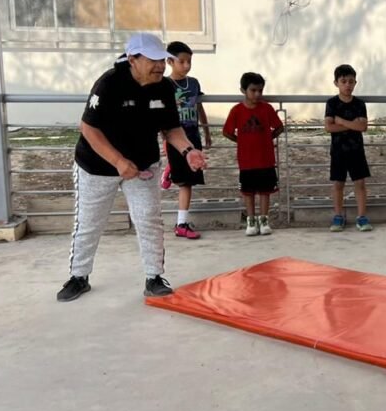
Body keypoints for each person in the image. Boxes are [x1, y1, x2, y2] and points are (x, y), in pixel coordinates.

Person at [56, 33, 208, 302]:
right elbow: (89, 128)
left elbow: (171, 128)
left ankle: (154, 277)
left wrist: (188, 151)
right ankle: (79, 276)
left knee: (149, 219)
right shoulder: (109, 84)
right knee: (89, 223)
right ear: (132, 59)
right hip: (97, 166)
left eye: (162, 60)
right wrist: (117, 161)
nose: (160, 66)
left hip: (142, 165)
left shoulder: (164, 88)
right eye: (153, 60)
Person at [222, 72, 283, 237]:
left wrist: (268, 138)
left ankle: (264, 220)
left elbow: (279, 127)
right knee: (248, 192)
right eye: (253, 90)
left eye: (260, 91)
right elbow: (226, 132)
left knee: (265, 191)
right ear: (243, 90)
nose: (257, 94)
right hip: (246, 160)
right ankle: (251, 221)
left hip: (266, 159)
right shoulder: (236, 110)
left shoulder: (267, 108)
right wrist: (240, 141)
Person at [162, 41, 211, 240]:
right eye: (181, 61)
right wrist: (164, 137)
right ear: (169, 61)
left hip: (193, 137)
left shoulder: (194, 83)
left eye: (189, 61)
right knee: (184, 181)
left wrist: (206, 131)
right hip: (174, 138)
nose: (186, 65)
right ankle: (181, 223)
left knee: (189, 181)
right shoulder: (164, 84)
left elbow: (199, 108)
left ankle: (181, 222)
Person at [324, 64, 372, 232]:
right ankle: (338, 216)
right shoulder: (331, 103)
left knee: (360, 183)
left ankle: (362, 217)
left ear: (355, 83)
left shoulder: (359, 104)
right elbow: (329, 127)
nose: (347, 85)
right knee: (338, 184)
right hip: (338, 151)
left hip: (356, 150)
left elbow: (363, 126)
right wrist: (352, 124)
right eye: (343, 81)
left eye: (351, 81)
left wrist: (341, 121)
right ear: (336, 83)